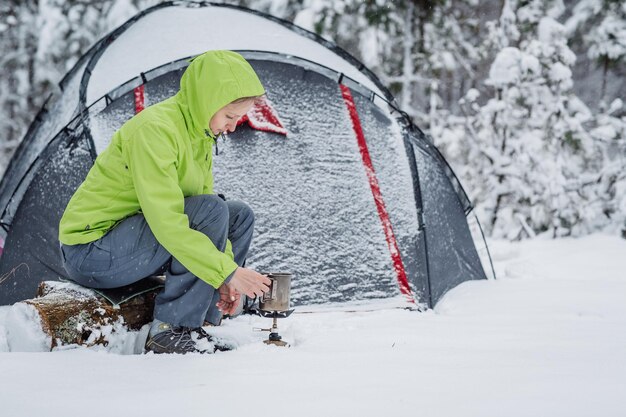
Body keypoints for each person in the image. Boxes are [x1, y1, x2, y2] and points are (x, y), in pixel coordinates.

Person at [58, 50, 271, 354]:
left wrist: (223, 277)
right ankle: (172, 331)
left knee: (238, 215)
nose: (233, 127)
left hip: (133, 242)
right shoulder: (156, 130)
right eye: (229, 117)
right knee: (209, 210)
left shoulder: (199, 134)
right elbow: (168, 223)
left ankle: (203, 323)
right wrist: (228, 271)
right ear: (208, 101)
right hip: (92, 250)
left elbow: (211, 210)